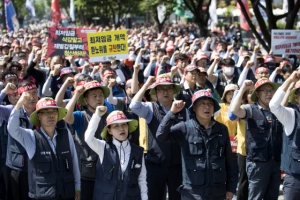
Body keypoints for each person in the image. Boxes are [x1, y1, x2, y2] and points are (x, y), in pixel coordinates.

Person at [156, 90, 235, 200]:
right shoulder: (184, 128)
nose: (207, 107)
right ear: (194, 108)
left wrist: (230, 189)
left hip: (217, 192)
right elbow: (161, 135)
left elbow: (229, 162)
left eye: (210, 104)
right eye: (202, 104)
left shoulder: (222, 129)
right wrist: (172, 113)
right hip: (193, 193)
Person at [7, 96, 80, 200]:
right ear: (38, 116)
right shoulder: (31, 136)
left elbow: (74, 161)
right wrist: (19, 104)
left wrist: (78, 187)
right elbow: (12, 128)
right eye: (46, 112)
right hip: (43, 195)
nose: (51, 115)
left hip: (66, 193)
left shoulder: (65, 133)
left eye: (54, 112)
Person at [130, 74, 188, 200]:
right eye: (161, 89)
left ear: (174, 91)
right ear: (155, 92)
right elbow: (133, 106)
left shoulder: (183, 109)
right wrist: (146, 84)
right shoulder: (150, 108)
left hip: (177, 165)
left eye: (168, 89)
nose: (165, 92)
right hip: (155, 164)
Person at [231, 78, 283, 200]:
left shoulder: (278, 110)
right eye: (265, 91)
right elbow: (234, 110)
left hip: (275, 162)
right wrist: (243, 88)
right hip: (257, 163)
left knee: (272, 197)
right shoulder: (250, 109)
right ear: (257, 94)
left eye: (271, 91)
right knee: (256, 197)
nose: (269, 93)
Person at [84, 107, 147, 199]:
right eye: (116, 126)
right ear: (109, 131)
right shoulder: (103, 147)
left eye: (124, 125)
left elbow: (142, 179)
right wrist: (97, 116)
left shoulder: (138, 151)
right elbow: (88, 138)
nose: (121, 129)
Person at [63, 80, 110, 200]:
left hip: (106, 172)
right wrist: (76, 95)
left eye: (100, 95)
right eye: (94, 96)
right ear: (86, 100)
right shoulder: (80, 116)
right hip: (85, 173)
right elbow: (66, 117)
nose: (98, 98)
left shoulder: (109, 116)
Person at [269, 71, 300, 200]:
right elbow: (274, 106)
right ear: (297, 97)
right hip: (295, 180)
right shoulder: (291, 115)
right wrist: (289, 81)